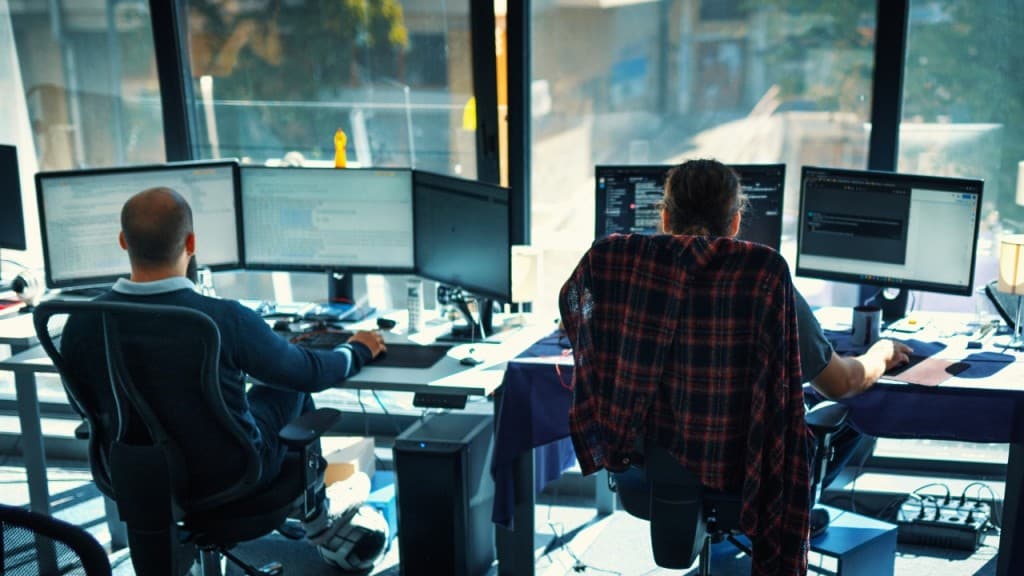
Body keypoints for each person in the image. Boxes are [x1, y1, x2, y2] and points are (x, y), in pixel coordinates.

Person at [59, 187, 389, 570]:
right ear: (192, 243)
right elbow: (310, 373)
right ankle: (317, 517)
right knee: (287, 385)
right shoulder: (222, 318)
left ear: (122, 241)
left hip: (133, 476)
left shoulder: (80, 321)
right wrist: (359, 349)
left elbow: (87, 408)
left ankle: (313, 511)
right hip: (232, 476)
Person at [659, 159, 913, 534]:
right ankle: (783, 518)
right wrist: (881, 354)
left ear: (665, 220)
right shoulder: (762, 280)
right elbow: (839, 384)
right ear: (734, 224)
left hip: (653, 470)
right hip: (749, 475)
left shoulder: (628, 280)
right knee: (851, 408)